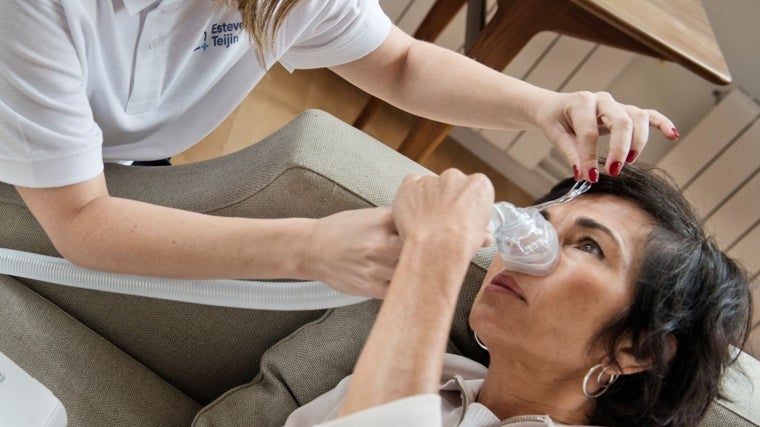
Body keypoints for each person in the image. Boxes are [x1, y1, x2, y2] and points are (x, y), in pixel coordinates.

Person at [0, 1, 677, 297]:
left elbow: (400, 63)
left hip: (109, 165)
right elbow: (82, 223)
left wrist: (542, 106)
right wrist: (306, 248)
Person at [283, 164, 753, 427]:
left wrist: (435, 256)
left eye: (589, 246)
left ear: (636, 348)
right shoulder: (432, 374)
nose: (525, 248)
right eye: (543, 225)